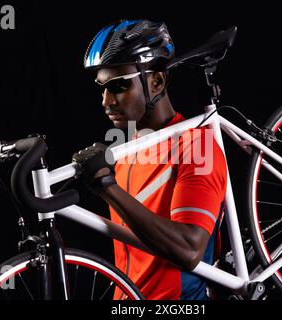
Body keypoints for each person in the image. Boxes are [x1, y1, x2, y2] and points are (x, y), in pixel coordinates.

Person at [73, 19, 227, 300]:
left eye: (119, 86)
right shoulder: (129, 147)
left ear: (156, 81)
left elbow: (189, 249)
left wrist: (107, 187)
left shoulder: (196, 147)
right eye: (103, 88)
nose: (106, 101)